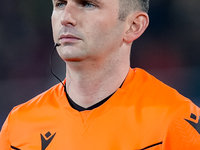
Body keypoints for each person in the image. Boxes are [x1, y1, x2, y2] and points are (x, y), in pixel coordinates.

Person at [0, 0, 200, 149]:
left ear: (134, 26)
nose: (66, 17)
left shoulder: (176, 120)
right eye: (60, 4)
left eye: (87, 4)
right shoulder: (18, 125)